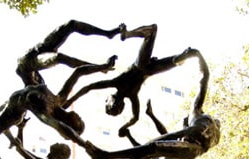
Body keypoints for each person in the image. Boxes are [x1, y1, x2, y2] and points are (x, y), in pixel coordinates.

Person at [0, 55, 117, 159]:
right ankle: (8, 141)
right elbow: (78, 72)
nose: (79, 117)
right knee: (22, 67)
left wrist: (84, 145)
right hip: (15, 100)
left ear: (71, 126)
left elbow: (61, 128)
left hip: (12, 113)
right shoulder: (59, 99)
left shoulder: (47, 114)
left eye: (79, 122)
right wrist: (102, 67)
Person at [84, 49, 220, 159]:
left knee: (152, 147)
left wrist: (198, 55)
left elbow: (204, 78)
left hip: (192, 149)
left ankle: (106, 155)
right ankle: (107, 156)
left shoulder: (196, 115)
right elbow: (204, 78)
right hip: (194, 150)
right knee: (150, 149)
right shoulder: (201, 122)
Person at [64, 24, 203, 137]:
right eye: (107, 102)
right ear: (111, 102)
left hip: (149, 70)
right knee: (152, 31)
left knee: (177, 60)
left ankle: (183, 57)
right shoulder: (116, 84)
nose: (107, 99)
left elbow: (135, 118)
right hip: (142, 65)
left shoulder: (132, 95)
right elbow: (88, 87)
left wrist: (125, 127)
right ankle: (128, 34)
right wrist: (70, 101)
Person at [16, 20, 125, 86]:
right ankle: (101, 68)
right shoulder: (30, 74)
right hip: (35, 60)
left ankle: (108, 33)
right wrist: (99, 67)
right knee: (59, 58)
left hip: (41, 47)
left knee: (71, 24)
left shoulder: (24, 76)